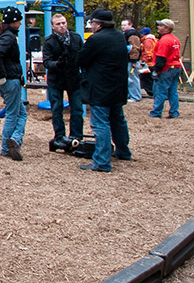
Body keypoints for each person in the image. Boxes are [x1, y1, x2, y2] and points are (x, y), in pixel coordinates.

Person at [77, 9, 131, 172]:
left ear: (98, 24)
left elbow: (81, 60)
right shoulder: (119, 37)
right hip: (118, 87)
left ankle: (101, 161)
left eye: (91, 23)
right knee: (118, 120)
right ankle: (123, 151)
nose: (90, 26)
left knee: (100, 124)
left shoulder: (96, 40)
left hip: (100, 88)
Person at [0, 6, 26, 161]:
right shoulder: (9, 37)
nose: (21, 24)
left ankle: (14, 141)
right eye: (19, 21)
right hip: (10, 80)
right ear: (13, 22)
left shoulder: (2, 35)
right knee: (14, 113)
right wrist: (2, 76)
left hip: (6, 79)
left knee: (21, 112)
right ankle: (10, 144)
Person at [42, 13, 84, 150]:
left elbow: (83, 56)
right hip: (56, 79)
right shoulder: (49, 42)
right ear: (53, 26)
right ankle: (59, 136)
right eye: (58, 24)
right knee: (57, 109)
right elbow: (47, 62)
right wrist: (57, 64)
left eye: (63, 23)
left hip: (73, 78)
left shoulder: (76, 38)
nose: (62, 26)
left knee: (77, 109)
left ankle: (76, 136)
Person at [149, 18, 181, 119]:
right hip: (176, 67)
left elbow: (161, 57)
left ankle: (156, 112)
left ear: (167, 28)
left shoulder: (164, 41)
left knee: (160, 91)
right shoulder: (175, 39)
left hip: (167, 68)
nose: (158, 27)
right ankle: (174, 112)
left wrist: (156, 69)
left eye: (161, 26)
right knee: (173, 91)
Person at [121, 19, 142, 102]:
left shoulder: (132, 35)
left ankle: (135, 96)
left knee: (132, 78)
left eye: (125, 25)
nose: (123, 27)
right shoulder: (126, 34)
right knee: (129, 78)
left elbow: (135, 48)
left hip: (132, 60)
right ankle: (131, 94)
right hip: (129, 60)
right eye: (122, 25)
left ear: (130, 25)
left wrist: (134, 60)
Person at [139, 27, 157, 96]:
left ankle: (151, 92)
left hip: (148, 63)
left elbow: (147, 52)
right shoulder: (153, 40)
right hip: (152, 62)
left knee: (145, 79)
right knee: (149, 79)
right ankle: (153, 92)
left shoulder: (147, 41)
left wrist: (144, 61)